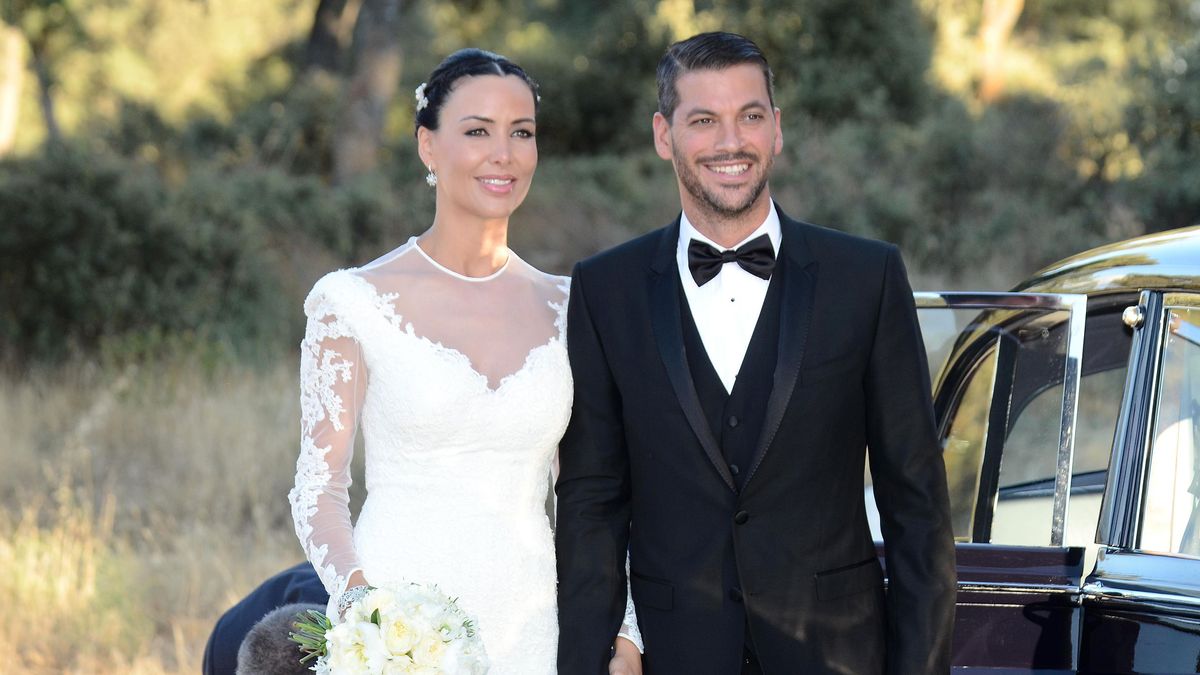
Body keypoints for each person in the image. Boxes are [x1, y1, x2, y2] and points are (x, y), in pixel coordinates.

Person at [555, 32, 956, 674]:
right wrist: (588, 656)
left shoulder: (867, 276)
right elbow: (591, 501)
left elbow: (917, 503)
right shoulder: (606, 289)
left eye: (750, 116)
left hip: (835, 652)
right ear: (665, 135)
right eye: (704, 120)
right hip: (673, 654)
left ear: (777, 129)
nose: (730, 142)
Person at [290, 49, 641, 675]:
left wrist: (626, 629)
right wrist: (367, 619)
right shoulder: (351, 302)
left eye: (522, 133)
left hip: (535, 630)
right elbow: (319, 492)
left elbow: (597, 492)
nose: (502, 153)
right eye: (477, 131)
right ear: (428, 145)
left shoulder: (572, 307)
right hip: (400, 628)